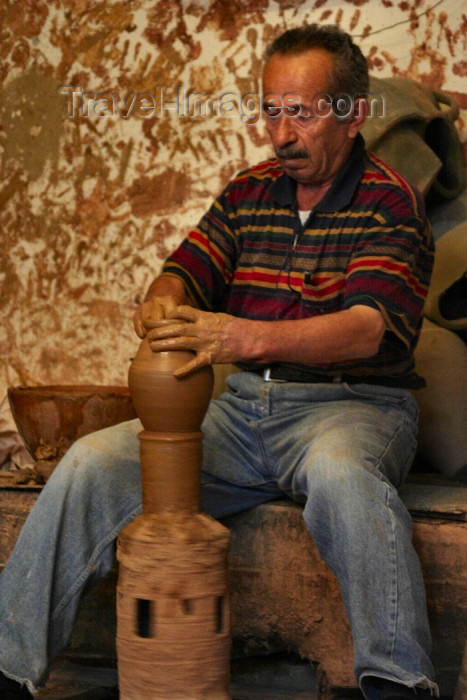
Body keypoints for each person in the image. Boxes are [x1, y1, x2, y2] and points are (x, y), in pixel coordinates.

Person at [0, 23, 437, 700]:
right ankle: (8, 665)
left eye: (302, 113)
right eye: (270, 110)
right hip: (237, 418)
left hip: (350, 408)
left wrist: (241, 337)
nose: (280, 134)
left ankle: (398, 682)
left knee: (342, 477)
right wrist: (162, 305)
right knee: (89, 462)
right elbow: (183, 272)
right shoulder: (248, 192)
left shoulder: (389, 201)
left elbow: (364, 330)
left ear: (351, 116)